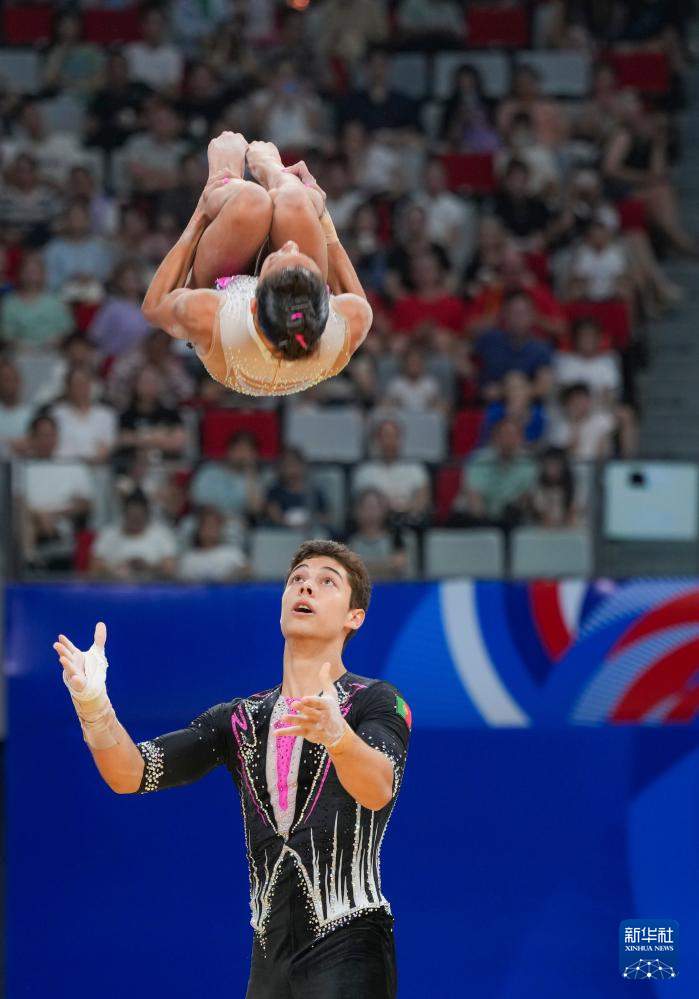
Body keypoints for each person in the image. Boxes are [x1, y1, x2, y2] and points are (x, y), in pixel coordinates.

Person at [53, 539, 411, 998]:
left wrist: (338, 738)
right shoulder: (238, 720)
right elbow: (131, 773)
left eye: (327, 582)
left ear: (354, 617)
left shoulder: (376, 701)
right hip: (268, 959)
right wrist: (93, 707)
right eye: (297, 579)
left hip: (349, 944)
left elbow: (379, 787)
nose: (306, 587)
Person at [141, 131, 374, 398]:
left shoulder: (210, 315)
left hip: (230, 341)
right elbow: (330, 245)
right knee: (296, 202)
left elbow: (154, 307)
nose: (290, 246)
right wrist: (318, 209)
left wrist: (202, 212)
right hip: (271, 319)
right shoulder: (349, 321)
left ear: (253, 302)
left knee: (251, 201)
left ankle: (225, 179)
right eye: (302, 261)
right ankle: (272, 170)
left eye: (278, 256)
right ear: (324, 295)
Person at [89, 489, 178, 580]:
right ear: (124, 515)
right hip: (115, 584)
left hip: (151, 585)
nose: (135, 522)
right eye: (131, 517)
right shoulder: (108, 534)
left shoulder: (162, 535)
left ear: (147, 516)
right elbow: (95, 567)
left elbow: (171, 568)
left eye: (138, 518)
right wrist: (114, 569)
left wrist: (147, 567)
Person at [178, 506, 248, 582]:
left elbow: (248, 570)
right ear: (199, 529)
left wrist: (237, 573)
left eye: (215, 526)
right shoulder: (189, 558)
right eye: (208, 526)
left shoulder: (232, 553)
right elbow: (182, 582)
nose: (212, 530)